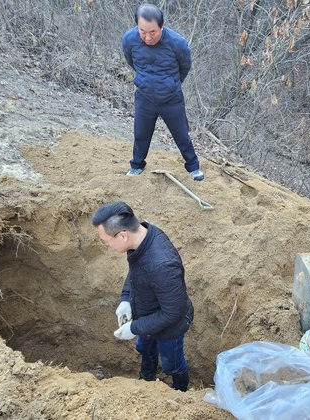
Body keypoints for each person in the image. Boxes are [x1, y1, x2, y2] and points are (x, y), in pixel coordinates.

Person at [91, 201, 194, 391]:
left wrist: (135, 326)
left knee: (172, 364)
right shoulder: (141, 238)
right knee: (144, 348)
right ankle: (146, 380)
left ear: (122, 235)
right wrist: (126, 298)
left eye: (106, 241)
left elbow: (173, 313)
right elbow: (137, 270)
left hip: (170, 327)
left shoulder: (162, 265)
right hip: (146, 315)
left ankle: (181, 391)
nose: (107, 245)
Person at [121, 3, 203, 181]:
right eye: (143, 31)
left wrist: (172, 83)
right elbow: (130, 60)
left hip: (171, 99)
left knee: (181, 134)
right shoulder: (129, 39)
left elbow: (185, 66)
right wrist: (145, 80)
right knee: (141, 133)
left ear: (162, 26)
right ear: (137, 26)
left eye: (152, 32)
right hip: (145, 97)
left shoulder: (177, 43)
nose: (147, 37)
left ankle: (193, 167)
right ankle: (136, 165)